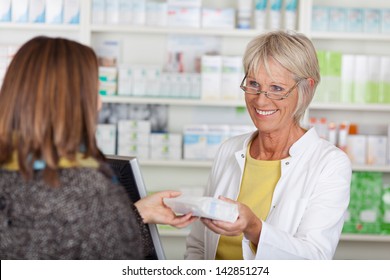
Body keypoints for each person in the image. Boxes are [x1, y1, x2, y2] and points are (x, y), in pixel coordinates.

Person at [0, 36, 195, 260]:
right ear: (76, 103)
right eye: (96, 92)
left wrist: (132, 214)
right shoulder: (88, 191)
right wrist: (116, 214)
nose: (100, 103)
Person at [185, 30, 351, 260]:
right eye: (253, 84)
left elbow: (315, 257)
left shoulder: (329, 164)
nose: (260, 100)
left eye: (276, 88)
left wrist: (255, 229)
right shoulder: (229, 149)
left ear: (307, 88)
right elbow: (198, 245)